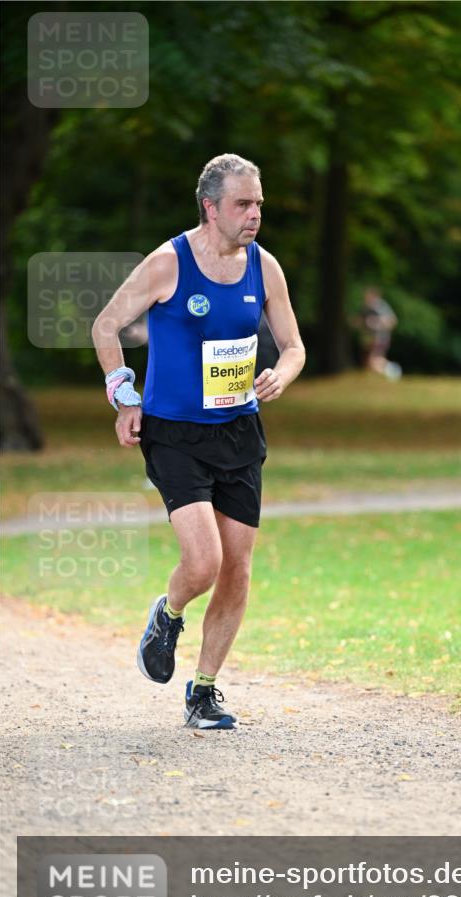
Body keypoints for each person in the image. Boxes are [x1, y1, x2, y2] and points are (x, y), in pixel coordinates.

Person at [92, 153, 305, 730]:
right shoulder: (168, 263)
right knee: (205, 560)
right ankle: (169, 613)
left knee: (237, 568)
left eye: (259, 202)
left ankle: (203, 691)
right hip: (175, 434)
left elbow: (293, 346)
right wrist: (124, 396)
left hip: (240, 431)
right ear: (211, 208)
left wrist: (280, 375)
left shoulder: (266, 268)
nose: (255, 213)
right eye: (243, 203)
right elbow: (105, 326)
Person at [358, 286, 402, 380]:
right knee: (370, 361)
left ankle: (393, 371)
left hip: (380, 338)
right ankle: (386, 374)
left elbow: (392, 321)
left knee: (374, 360)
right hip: (372, 338)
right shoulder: (367, 307)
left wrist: (376, 322)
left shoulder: (380, 306)